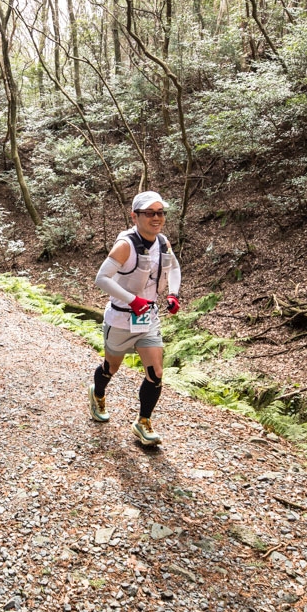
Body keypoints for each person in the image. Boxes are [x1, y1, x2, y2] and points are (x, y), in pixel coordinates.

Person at [90, 191, 182, 446]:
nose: (156, 218)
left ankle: (143, 422)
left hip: (148, 318)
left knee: (156, 372)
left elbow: (174, 267)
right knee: (111, 368)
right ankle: (98, 394)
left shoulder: (163, 242)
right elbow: (101, 278)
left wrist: (173, 294)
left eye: (160, 212)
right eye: (149, 213)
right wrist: (132, 300)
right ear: (135, 216)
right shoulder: (125, 245)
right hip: (121, 318)